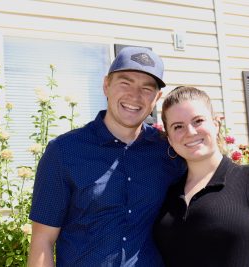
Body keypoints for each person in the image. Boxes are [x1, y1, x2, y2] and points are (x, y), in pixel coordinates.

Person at [28, 47, 186, 267]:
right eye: (125, 83)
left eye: (146, 88)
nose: (135, 95)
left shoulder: (168, 151)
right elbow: (42, 242)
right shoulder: (64, 152)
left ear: (157, 98)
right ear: (106, 85)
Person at [153, 86, 249, 267]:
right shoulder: (169, 191)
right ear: (170, 138)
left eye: (198, 121)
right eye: (178, 126)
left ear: (215, 125)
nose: (191, 131)